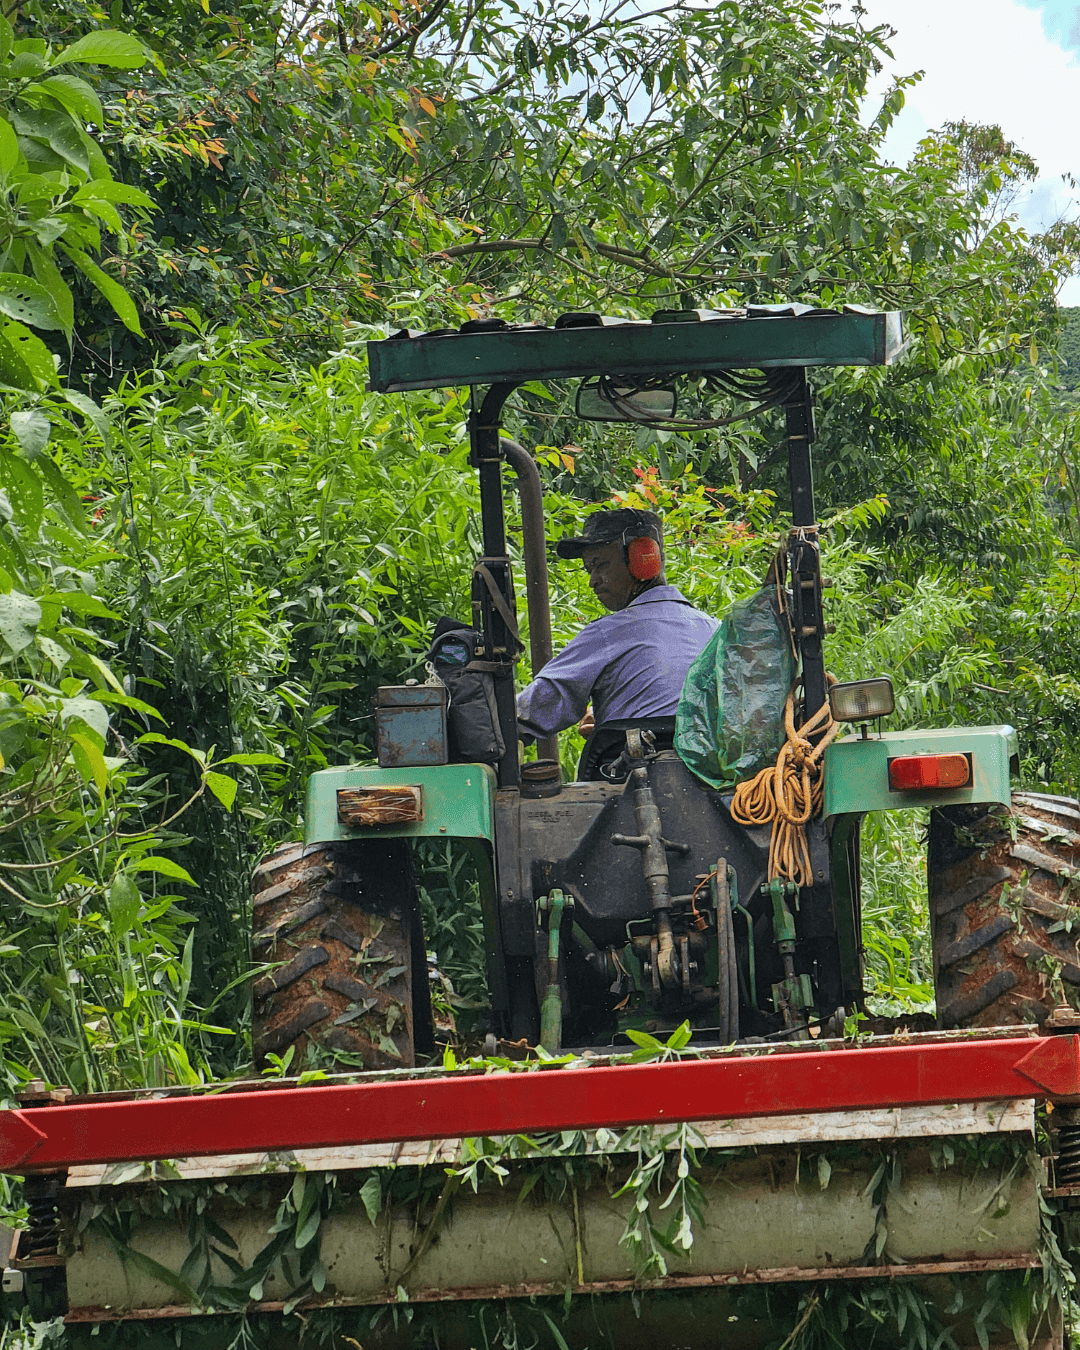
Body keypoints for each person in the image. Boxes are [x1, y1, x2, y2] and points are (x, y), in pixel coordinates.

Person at [516, 508, 720, 778]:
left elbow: (532, 712)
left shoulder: (607, 633)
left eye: (601, 565)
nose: (592, 581)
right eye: (589, 569)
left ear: (642, 558)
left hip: (627, 792)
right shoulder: (716, 631)